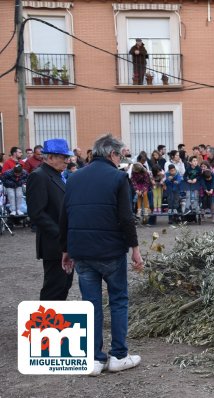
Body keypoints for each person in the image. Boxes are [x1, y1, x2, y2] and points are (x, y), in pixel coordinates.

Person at [59, 134, 143, 376]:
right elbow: (126, 218)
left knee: (90, 304)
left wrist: (66, 250)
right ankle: (118, 355)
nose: (120, 160)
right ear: (111, 154)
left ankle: (95, 359)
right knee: (118, 300)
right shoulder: (118, 178)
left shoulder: (73, 177)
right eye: (120, 155)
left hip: (81, 251)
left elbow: (65, 217)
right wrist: (135, 249)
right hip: (110, 251)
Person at [25, 139, 73, 301]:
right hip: (54, 244)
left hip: (64, 243)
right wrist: (61, 235)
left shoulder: (57, 175)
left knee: (64, 285)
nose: (67, 161)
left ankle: (57, 323)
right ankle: (46, 325)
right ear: (50, 157)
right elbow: (37, 213)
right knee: (54, 288)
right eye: (63, 157)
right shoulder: (38, 176)